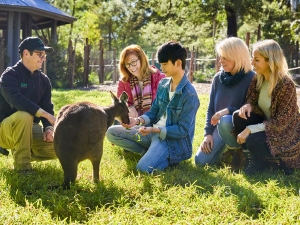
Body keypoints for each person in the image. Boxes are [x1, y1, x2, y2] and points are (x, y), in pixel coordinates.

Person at [106, 41, 200, 173]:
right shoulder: (164, 84)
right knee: (111, 132)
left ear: (178, 63)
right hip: (152, 133)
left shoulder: (190, 96)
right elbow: (154, 112)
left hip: (170, 141)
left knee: (143, 169)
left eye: (164, 64)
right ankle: (151, 153)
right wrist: (137, 121)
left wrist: (154, 130)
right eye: (160, 64)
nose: (161, 68)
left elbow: (182, 130)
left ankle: (168, 157)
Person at [233, 39, 300, 175]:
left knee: (252, 139)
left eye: (256, 60)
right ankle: (257, 159)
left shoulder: (286, 85)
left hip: (284, 134)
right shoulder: (258, 78)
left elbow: (282, 123)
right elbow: (252, 98)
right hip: (267, 127)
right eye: (253, 58)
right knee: (238, 116)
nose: (252, 63)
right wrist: (248, 105)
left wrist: (250, 129)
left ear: (270, 61)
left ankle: (272, 160)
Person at [194, 37, 255, 167]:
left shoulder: (252, 78)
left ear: (237, 56)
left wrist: (226, 111)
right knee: (200, 161)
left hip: (241, 130)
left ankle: (239, 153)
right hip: (219, 127)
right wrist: (208, 134)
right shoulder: (218, 79)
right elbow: (211, 108)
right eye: (220, 56)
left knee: (226, 120)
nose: (221, 61)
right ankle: (225, 152)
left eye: (225, 57)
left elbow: (251, 110)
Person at [0, 37, 57, 172]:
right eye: (39, 54)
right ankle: (23, 168)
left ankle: (24, 151)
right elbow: (17, 101)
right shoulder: (9, 76)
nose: (43, 58)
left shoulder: (44, 80)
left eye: (44, 55)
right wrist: (45, 114)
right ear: (26, 53)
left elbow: (47, 105)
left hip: (30, 129)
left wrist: (48, 128)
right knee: (24, 115)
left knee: (63, 147)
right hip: (5, 131)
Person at [117, 44, 165, 118]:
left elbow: (164, 107)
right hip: (134, 124)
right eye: (127, 64)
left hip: (155, 125)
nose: (131, 67)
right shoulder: (124, 82)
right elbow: (119, 104)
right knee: (112, 130)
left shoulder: (160, 78)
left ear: (141, 59)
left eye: (133, 62)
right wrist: (130, 107)